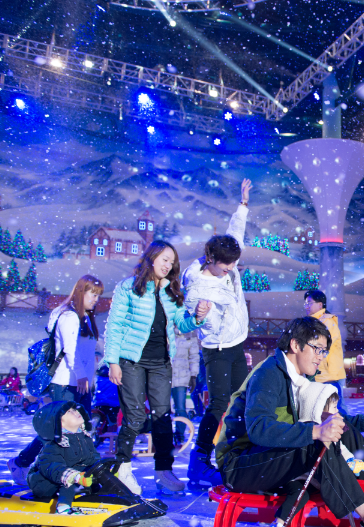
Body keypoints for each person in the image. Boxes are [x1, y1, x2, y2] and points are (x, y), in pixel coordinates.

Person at [215, 317, 364, 527]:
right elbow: (258, 428)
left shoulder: (302, 378)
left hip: (274, 456)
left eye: (324, 351)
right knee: (315, 443)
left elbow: (326, 417)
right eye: (317, 349)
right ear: (296, 345)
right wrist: (315, 433)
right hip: (241, 464)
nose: (321, 357)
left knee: (345, 431)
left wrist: (363, 423)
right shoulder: (269, 373)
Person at [104, 240, 210, 496]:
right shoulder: (128, 288)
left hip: (161, 363)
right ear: (151, 258)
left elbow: (181, 326)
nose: (167, 265)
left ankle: (164, 471)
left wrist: (197, 317)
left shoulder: (170, 293)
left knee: (162, 416)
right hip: (131, 361)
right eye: (164, 259)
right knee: (135, 416)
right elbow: (114, 325)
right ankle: (123, 469)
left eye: (171, 262)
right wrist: (113, 362)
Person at [181, 179, 253, 490]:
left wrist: (243, 205)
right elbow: (188, 318)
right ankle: (199, 460)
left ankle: (235, 453)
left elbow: (235, 232)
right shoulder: (198, 285)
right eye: (228, 266)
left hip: (236, 343)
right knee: (220, 403)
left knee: (242, 401)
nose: (233, 270)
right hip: (217, 347)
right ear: (211, 260)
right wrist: (200, 316)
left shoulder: (225, 260)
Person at [8, 275, 104, 486]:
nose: (96, 299)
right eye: (92, 293)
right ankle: (24, 463)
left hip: (82, 383)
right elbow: (69, 349)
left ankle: (76, 474)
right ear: (81, 291)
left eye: (98, 295)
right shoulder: (68, 316)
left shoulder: (84, 317)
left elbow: (89, 351)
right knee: (59, 431)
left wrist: (91, 373)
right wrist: (80, 374)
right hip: (66, 382)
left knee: (80, 430)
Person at [27, 401, 100, 514]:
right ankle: (63, 508)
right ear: (58, 422)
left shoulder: (84, 438)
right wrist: (75, 476)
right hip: (44, 482)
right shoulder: (53, 445)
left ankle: (102, 499)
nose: (75, 412)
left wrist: (103, 470)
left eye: (75, 410)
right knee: (72, 479)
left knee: (91, 475)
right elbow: (52, 467)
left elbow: (92, 458)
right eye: (69, 412)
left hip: (69, 475)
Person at [304, 289, 347, 414]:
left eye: (309, 303)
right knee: (326, 410)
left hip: (327, 375)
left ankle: (348, 431)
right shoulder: (313, 322)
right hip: (319, 374)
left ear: (320, 305)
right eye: (305, 303)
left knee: (335, 409)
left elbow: (322, 344)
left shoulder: (326, 322)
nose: (306, 306)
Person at [171, 327, 200, 445]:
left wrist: (193, 376)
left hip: (181, 376)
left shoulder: (190, 334)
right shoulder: (167, 331)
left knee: (180, 408)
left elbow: (194, 357)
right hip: (163, 374)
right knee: (160, 408)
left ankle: (179, 435)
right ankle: (162, 433)